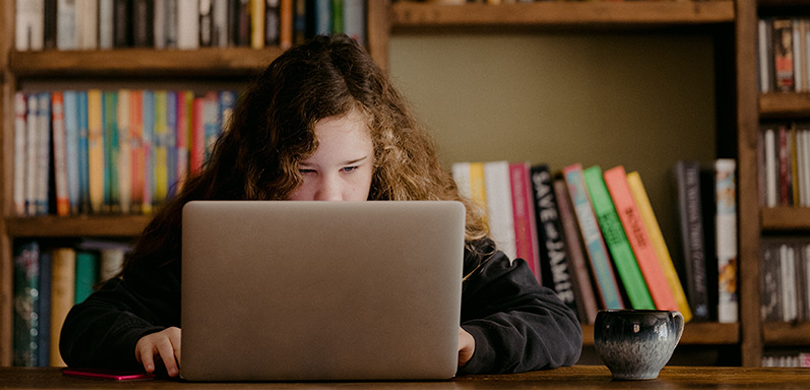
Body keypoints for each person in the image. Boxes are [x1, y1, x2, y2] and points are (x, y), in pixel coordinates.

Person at [59, 33, 582, 376]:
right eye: (303, 172)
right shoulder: (222, 224)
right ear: (266, 164)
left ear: (383, 157)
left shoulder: (419, 223)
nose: (330, 195)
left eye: (351, 169)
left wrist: (474, 343)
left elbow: (555, 321)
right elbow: (85, 323)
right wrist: (143, 340)